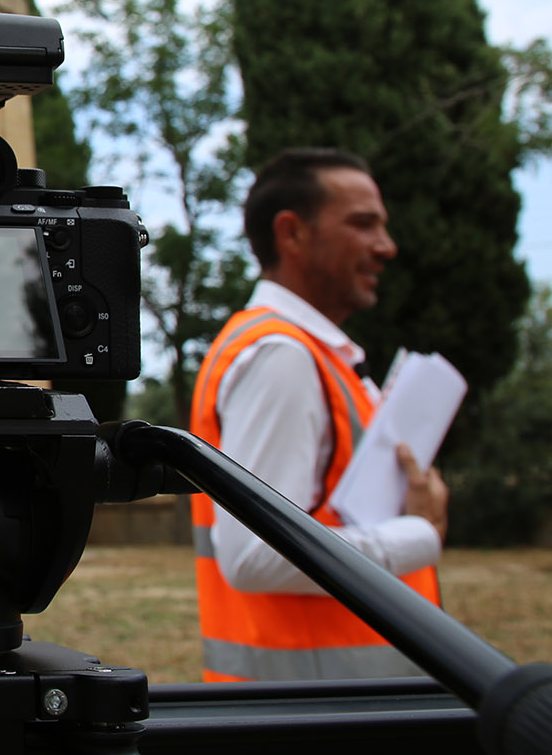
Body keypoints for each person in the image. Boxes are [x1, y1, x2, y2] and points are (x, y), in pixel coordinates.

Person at [189, 147, 448, 682]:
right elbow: (255, 555)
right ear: (292, 234)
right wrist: (419, 531)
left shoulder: (306, 353)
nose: (387, 247)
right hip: (318, 709)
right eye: (363, 224)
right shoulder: (283, 357)